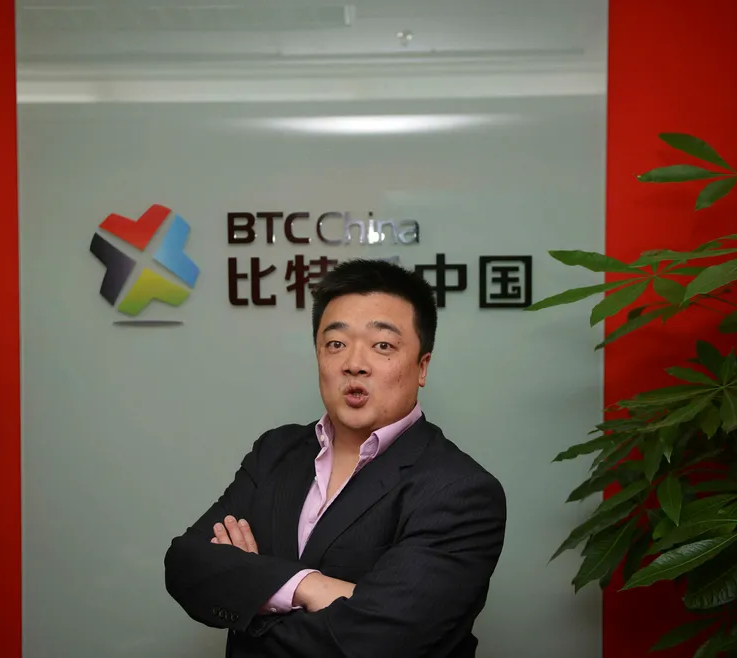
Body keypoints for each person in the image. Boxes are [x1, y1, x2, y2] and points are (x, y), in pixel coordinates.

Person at [164, 258, 506, 658]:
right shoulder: (275, 452)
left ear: (422, 367)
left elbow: (379, 643)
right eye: (336, 344)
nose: (354, 364)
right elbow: (186, 564)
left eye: (383, 345)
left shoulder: (461, 491)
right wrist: (311, 587)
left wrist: (252, 593)